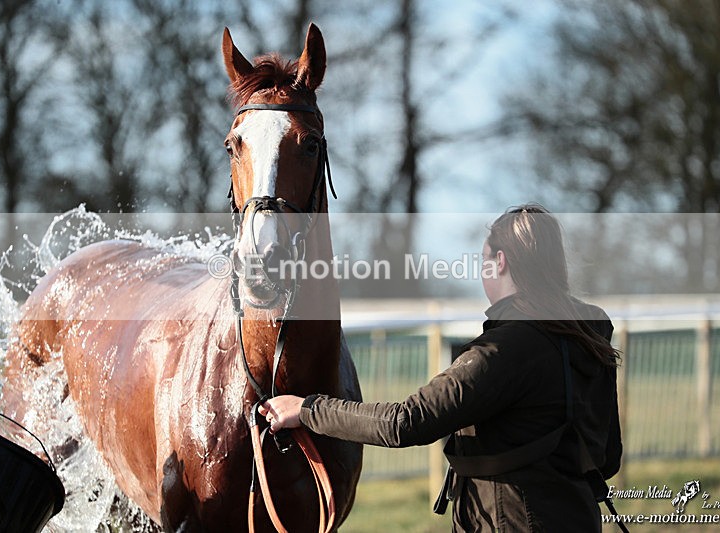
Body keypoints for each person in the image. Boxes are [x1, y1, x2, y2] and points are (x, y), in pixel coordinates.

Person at [259, 204, 623, 532]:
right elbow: (607, 458)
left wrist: (306, 409)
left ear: (500, 262)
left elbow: (404, 422)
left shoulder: (505, 349)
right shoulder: (589, 332)